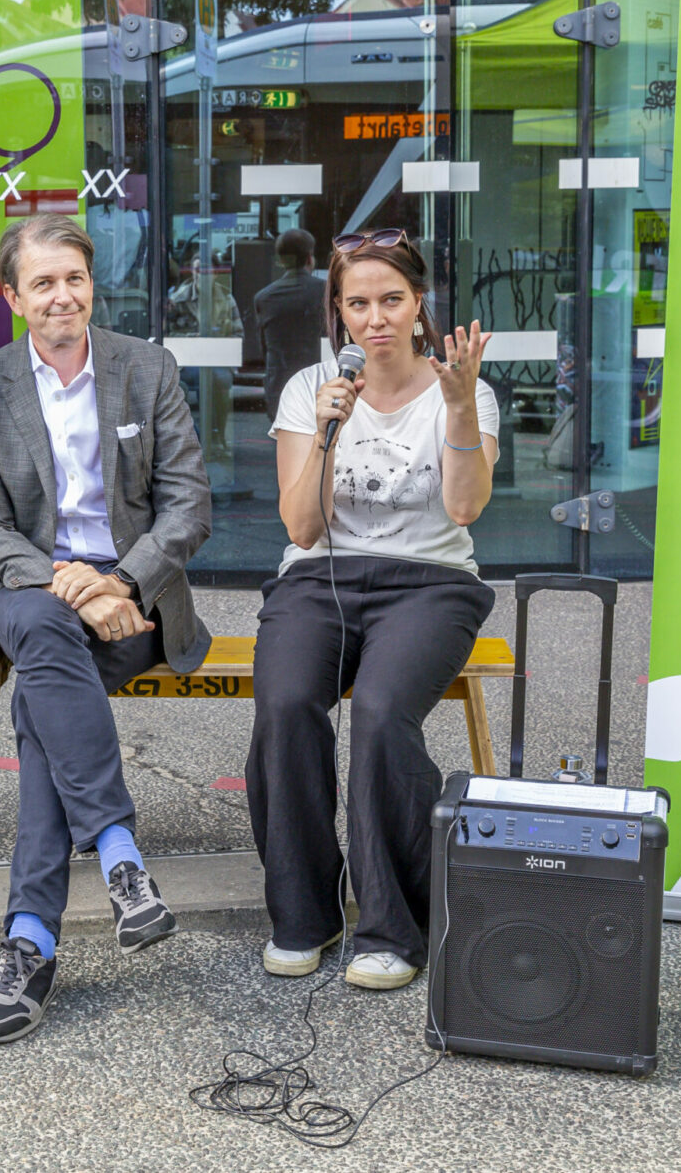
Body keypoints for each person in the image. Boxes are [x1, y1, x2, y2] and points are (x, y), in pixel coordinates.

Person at [0, 213, 212, 1044]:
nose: (63, 296)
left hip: (135, 603)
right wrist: (70, 580)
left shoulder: (146, 367)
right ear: (14, 296)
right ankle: (119, 855)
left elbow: (189, 507)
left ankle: (30, 942)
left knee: (39, 706)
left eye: (75, 279)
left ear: (91, 284)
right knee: (39, 627)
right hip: (38, 591)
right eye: (44, 283)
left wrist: (119, 580)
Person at [245, 228, 497, 992]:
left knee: (384, 713)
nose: (376, 318)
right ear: (339, 312)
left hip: (429, 581)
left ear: (420, 303)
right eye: (358, 303)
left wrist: (456, 412)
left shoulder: (467, 389)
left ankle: (393, 924)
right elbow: (300, 527)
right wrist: (328, 432)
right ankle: (304, 913)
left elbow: (464, 509)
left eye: (392, 299)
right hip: (320, 575)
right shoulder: (309, 390)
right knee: (286, 704)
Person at [251, 229, 326, 420]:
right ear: (310, 258)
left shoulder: (263, 298)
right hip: (320, 385)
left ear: (281, 260)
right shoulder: (326, 292)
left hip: (279, 387)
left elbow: (263, 348)